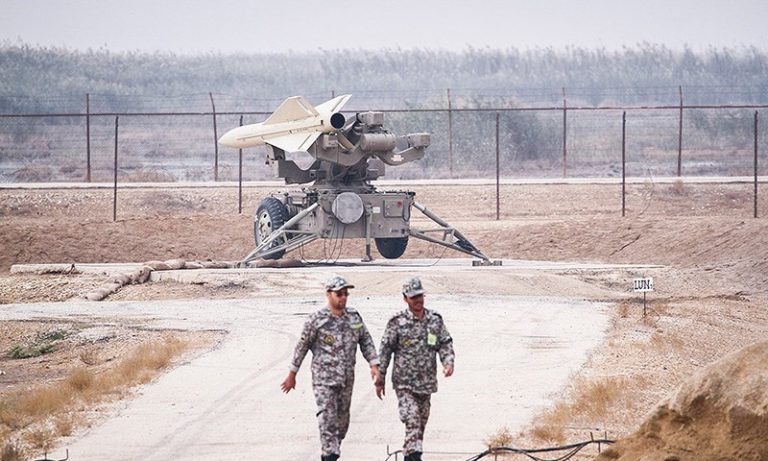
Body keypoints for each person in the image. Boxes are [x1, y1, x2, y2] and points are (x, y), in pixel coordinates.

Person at [281, 275, 381, 461]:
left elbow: (365, 340)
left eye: (345, 294)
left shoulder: (354, 317)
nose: (343, 297)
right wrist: (292, 373)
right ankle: (329, 455)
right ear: (329, 294)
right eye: (339, 294)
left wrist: (374, 364)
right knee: (327, 419)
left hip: (346, 379)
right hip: (324, 381)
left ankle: (331, 451)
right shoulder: (316, 320)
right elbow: (302, 346)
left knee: (342, 423)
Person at [376, 277, 455, 461]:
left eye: (420, 296)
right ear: (405, 299)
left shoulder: (435, 320)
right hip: (404, 385)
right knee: (412, 420)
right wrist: (380, 378)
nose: (418, 300)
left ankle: (410, 456)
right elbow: (385, 350)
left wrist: (448, 362)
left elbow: (445, 343)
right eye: (413, 297)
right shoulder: (397, 322)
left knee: (419, 427)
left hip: (426, 384)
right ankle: (414, 458)